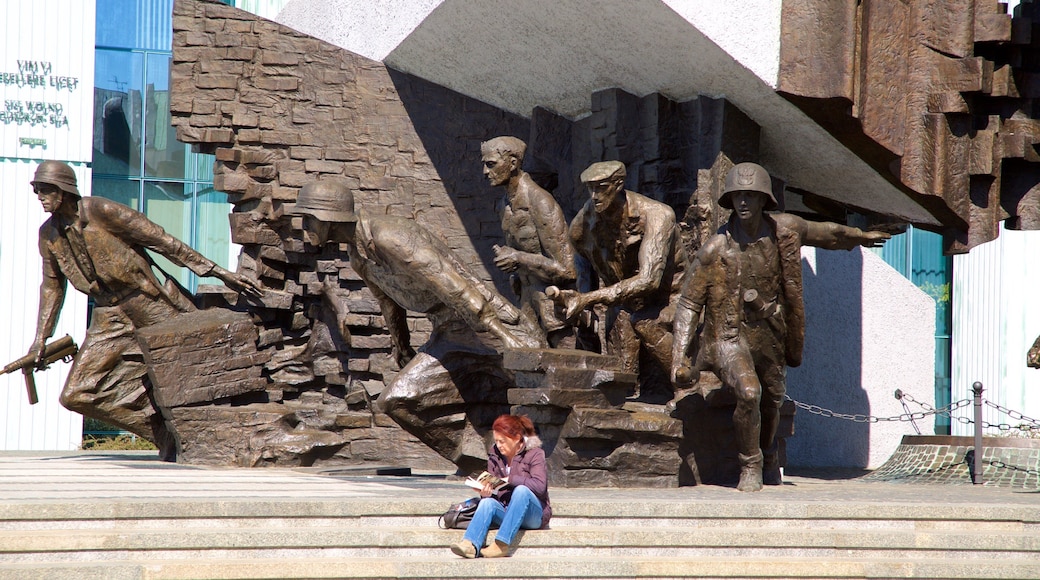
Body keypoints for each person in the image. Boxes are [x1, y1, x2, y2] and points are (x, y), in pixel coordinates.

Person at [290, 179, 545, 474]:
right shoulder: (358, 256)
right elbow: (388, 302)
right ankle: (482, 462)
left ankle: (524, 463)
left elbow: (453, 285)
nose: (304, 226)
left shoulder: (389, 236)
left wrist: (504, 336)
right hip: (447, 330)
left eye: (308, 218)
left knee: (531, 390)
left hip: (486, 325)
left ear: (328, 218)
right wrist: (401, 345)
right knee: (396, 401)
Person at [671, 162, 890, 491]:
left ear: (764, 201)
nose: (743, 202)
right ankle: (750, 464)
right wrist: (681, 357)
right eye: (737, 196)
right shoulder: (715, 248)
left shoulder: (784, 230)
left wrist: (859, 236)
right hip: (729, 337)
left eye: (751, 195)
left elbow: (827, 233)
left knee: (772, 400)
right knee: (749, 392)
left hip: (771, 333)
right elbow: (688, 303)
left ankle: (768, 451)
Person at [27, 160, 262, 461]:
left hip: (148, 303)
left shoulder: (102, 211)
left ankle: (202, 437)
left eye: (46, 190)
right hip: (108, 315)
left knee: (185, 375)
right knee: (76, 394)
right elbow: (51, 288)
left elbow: (163, 241)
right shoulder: (48, 235)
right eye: (37, 191)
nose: (41, 197)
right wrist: (40, 339)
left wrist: (217, 271)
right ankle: (166, 434)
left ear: (65, 190)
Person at [552, 160, 685, 401]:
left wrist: (588, 298)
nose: (594, 196)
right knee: (619, 386)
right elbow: (580, 253)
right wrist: (582, 301)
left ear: (619, 184)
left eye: (601, 187)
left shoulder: (658, 215)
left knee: (646, 327)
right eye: (590, 188)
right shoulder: (586, 220)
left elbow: (649, 281)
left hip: (667, 302)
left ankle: (689, 390)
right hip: (623, 306)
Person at [482, 136, 577, 348]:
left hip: (555, 310)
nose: (485, 172)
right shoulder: (503, 205)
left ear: (513, 163)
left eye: (491, 164)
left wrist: (519, 257)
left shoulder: (540, 201)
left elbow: (568, 270)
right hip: (526, 304)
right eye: (484, 165)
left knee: (568, 372)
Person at [450, 414, 551, 559]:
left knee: (521, 491)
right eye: (496, 441)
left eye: (502, 441)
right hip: (507, 510)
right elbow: (495, 491)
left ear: (517, 438)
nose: (498, 445)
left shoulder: (535, 454)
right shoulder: (495, 455)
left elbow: (540, 486)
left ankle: (501, 544)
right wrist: (486, 492)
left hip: (534, 514)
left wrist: (511, 479)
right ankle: (470, 544)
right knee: (487, 502)